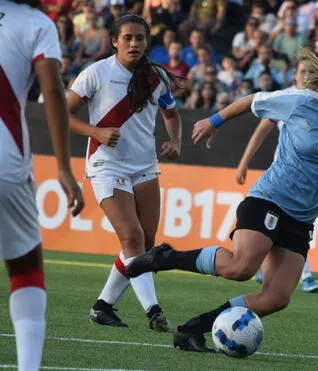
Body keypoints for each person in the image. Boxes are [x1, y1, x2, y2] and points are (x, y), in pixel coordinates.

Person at [125, 50, 318, 352]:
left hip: (301, 219)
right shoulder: (298, 102)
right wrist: (214, 121)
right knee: (241, 267)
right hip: (269, 199)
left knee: (276, 298)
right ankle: (165, 257)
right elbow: (252, 101)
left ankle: (194, 328)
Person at [67, 14, 182, 331]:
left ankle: (102, 307)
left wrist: (175, 140)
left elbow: (172, 114)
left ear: (147, 42)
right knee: (131, 237)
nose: (134, 43)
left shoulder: (156, 76)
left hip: (144, 166)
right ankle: (154, 312)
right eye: (128, 37)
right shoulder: (96, 73)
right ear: (115, 40)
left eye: (140, 38)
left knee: (143, 243)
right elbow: (62, 114)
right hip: (107, 164)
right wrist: (96, 132)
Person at [0, 0, 85, 369]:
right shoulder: (37, 23)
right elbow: (52, 91)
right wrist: (64, 168)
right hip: (6, 159)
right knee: (25, 268)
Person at [236, 49, 318, 294]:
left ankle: (265, 266)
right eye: (302, 71)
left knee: (290, 228)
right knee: (290, 225)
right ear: (294, 74)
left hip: (310, 179)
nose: (306, 76)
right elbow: (263, 128)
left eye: (311, 72)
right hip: (283, 177)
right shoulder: (286, 98)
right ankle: (305, 275)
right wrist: (244, 161)